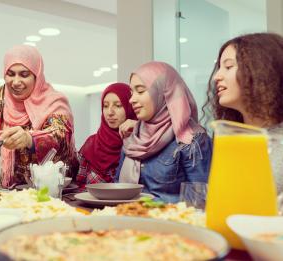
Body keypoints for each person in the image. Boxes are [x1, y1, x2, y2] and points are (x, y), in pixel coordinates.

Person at [0, 45, 78, 188]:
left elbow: (60, 134)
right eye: (10, 74)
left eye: (24, 75)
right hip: (9, 192)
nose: (16, 82)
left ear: (37, 75)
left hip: (49, 191)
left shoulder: (54, 101)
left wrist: (29, 139)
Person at [118, 61, 212, 203]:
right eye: (131, 92)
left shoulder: (192, 141)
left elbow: (199, 202)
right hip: (127, 219)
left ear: (163, 92)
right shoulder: (134, 137)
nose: (131, 99)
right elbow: (117, 188)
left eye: (141, 91)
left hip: (169, 222)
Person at [203, 32, 283, 195]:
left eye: (229, 66)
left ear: (261, 71)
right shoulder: (230, 139)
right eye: (219, 68)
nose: (217, 77)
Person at [76, 83, 136, 188]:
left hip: (130, 204)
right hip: (89, 203)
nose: (110, 112)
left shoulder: (140, 144)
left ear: (130, 107)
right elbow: (78, 186)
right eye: (105, 106)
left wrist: (139, 126)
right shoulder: (91, 144)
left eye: (118, 106)